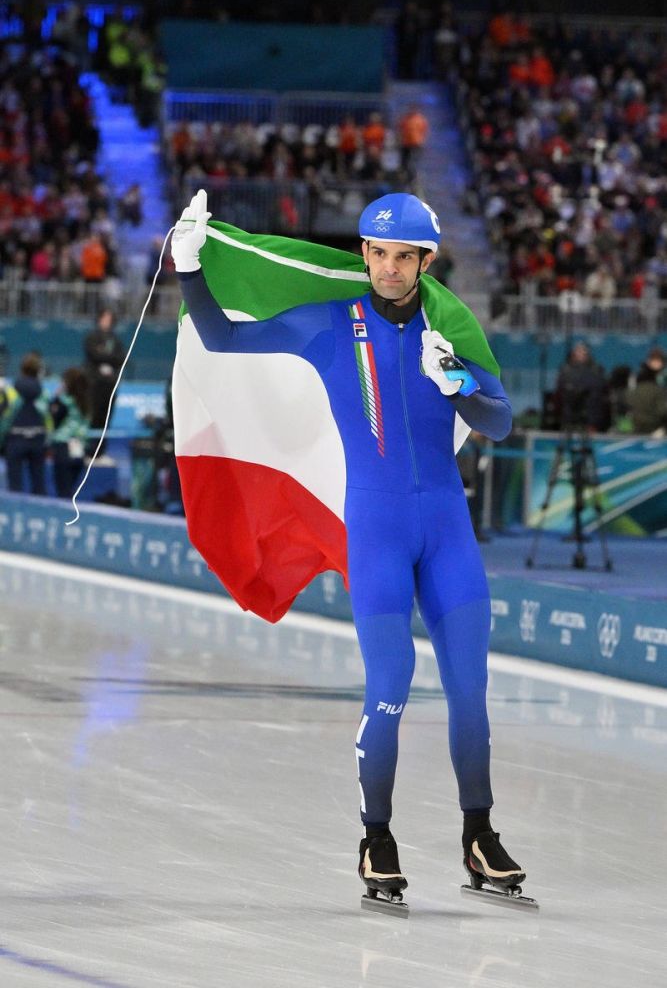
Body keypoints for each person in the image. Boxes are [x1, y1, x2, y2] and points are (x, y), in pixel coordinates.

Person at [171, 189, 524, 906]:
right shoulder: (329, 325)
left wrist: (456, 381)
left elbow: (499, 422)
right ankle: (376, 838)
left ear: (425, 262)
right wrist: (188, 268)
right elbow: (222, 339)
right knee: (390, 684)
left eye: (404, 257)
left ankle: (478, 834)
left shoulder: (449, 328)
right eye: (378, 253)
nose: (389, 267)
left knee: (469, 690)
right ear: (363, 254)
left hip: (447, 532)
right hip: (377, 532)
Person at [0, 352, 50, 494]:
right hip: (38, 440)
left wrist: (1, 440)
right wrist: (47, 440)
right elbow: (48, 419)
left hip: (15, 440)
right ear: (38, 371)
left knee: (15, 486)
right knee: (39, 484)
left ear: (21, 369)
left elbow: (6, 418)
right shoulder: (43, 393)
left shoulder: (11, 392)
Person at [48, 367, 91, 497]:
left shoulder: (64, 402)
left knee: (63, 489)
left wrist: (56, 397)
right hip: (80, 447)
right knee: (70, 489)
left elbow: (54, 420)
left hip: (64, 446)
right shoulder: (86, 403)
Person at [82, 308, 125, 434]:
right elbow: (94, 355)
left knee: (106, 417)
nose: (107, 322)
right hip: (94, 383)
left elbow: (120, 358)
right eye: (105, 319)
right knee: (93, 414)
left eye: (109, 319)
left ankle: (102, 444)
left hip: (110, 383)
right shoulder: (92, 337)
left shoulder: (115, 340)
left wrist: (104, 354)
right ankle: (91, 444)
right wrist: (108, 356)